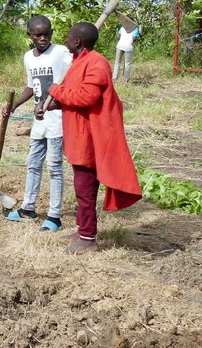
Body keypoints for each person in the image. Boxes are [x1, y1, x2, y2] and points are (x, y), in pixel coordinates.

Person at [44, 22, 142, 255]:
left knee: (85, 189)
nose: (66, 40)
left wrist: (56, 91)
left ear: (77, 41)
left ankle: (88, 239)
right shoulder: (79, 62)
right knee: (81, 188)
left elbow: (86, 98)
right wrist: (55, 103)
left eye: (69, 37)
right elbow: (75, 96)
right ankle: (82, 229)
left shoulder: (97, 62)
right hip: (78, 135)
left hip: (90, 138)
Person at [1, 15, 72, 231]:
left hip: (57, 120)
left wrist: (57, 101)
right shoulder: (28, 58)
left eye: (47, 34)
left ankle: (54, 216)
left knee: (54, 167)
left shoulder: (60, 53)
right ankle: (28, 209)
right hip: (39, 120)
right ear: (29, 35)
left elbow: (72, 75)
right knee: (33, 163)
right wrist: (14, 104)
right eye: (38, 35)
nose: (43, 38)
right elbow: (32, 86)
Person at [112, 15, 141, 84]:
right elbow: (134, 39)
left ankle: (114, 78)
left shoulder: (122, 28)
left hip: (119, 45)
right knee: (127, 63)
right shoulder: (135, 29)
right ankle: (126, 80)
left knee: (117, 62)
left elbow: (119, 36)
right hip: (128, 47)